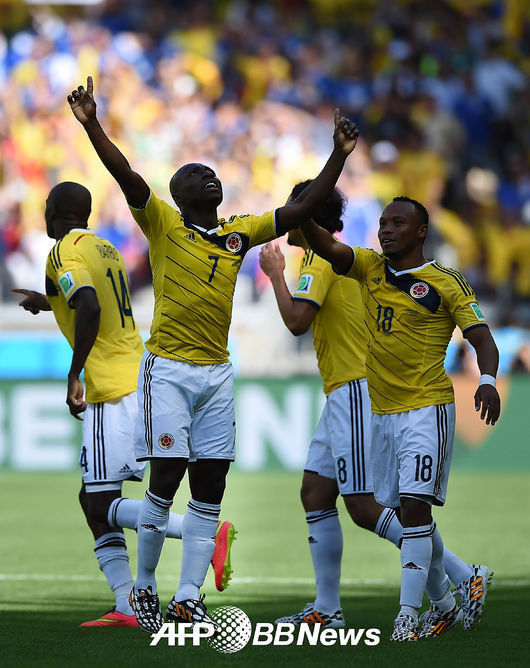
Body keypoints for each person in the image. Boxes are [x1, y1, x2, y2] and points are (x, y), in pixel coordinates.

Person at [67, 76, 359, 633]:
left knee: (211, 485)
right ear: (179, 195)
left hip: (218, 373)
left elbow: (303, 207)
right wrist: (92, 124)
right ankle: (145, 586)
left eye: (213, 172)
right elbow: (125, 174)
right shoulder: (162, 224)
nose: (210, 175)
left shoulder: (238, 234)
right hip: (169, 371)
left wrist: (338, 156)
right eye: (196, 174)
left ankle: (187, 596)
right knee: (165, 478)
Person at [260, 182, 494, 633]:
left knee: (368, 508)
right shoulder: (359, 262)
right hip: (343, 390)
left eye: (294, 208)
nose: (287, 217)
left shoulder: (319, 261)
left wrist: (274, 274)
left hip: (357, 388)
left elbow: (297, 321)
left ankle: (460, 577)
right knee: (315, 492)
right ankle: (328, 606)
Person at [14, 181, 235, 628]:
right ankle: (128, 602)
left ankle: (199, 539)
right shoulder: (107, 249)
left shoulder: (61, 251)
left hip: (109, 388)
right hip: (140, 377)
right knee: (94, 497)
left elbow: (90, 306)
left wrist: (75, 373)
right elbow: (94, 297)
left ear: (52, 211)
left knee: (98, 504)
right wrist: (48, 301)